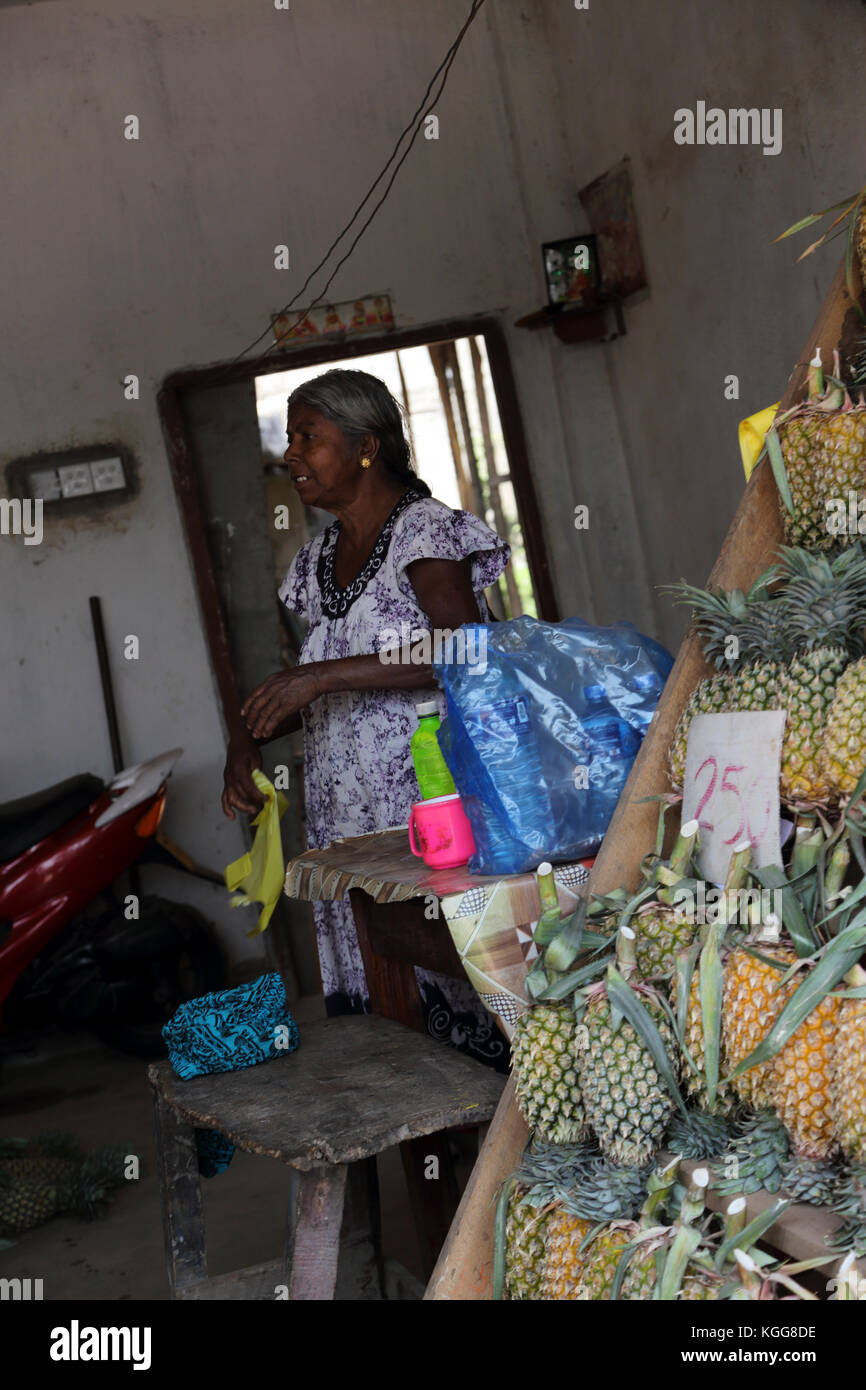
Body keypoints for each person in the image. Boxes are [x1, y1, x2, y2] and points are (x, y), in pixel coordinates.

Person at [222, 368, 509, 1068]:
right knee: (389, 1030)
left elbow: (459, 646)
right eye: (290, 438)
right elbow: (312, 686)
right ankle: (434, 1154)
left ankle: (501, 1156)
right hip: (349, 828)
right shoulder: (317, 558)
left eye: (307, 437)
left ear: (365, 446)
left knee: (458, 1008)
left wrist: (320, 675)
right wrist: (246, 740)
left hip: (429, 815)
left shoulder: (425, 531)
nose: (290, 455)